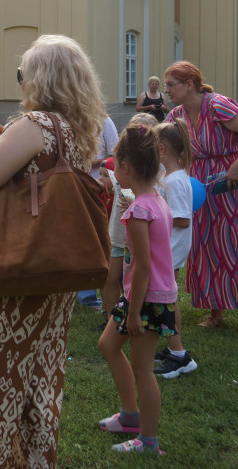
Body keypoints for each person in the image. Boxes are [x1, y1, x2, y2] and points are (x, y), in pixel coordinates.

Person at [0, 34, 106, 469]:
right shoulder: (79, 132)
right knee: (35, 387)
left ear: (40, 78)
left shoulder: (36, 126)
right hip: (55, 274)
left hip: (13, 279)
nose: (21, 81)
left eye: (22, 73)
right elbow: (31, 170)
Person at [163, 61, 238, 335]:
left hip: (235, 183)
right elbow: (162, 147)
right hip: (199, 185)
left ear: (190, 84)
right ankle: (216, 313)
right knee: (205, 245)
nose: (166, 91)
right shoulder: (175, 115)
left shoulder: (218, 105)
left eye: (170, 85)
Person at [97, 123, 176, 455]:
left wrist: (133, 312)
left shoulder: (140, 211)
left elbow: (142, 266)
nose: (115, 175)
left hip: (146, 300)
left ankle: (148, 440)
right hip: (141, 296)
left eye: (117, 168)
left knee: (144, 369)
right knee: (108, 345)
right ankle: (130, 415)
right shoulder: (154, 199)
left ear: (126, 168)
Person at [99, 113, 159, 332]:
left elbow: (152, 200)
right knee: (109, 277)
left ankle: (130, 317)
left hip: (136, 233)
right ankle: (110, 319)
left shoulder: (153, 172)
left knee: (132, 280)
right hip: (117, 231)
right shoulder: (122, 165)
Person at [153, 119, 199, 379]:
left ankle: (180, 356)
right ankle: (175, 350)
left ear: (161, 150)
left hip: (169, 252)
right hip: (166, 252)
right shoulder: (169, 178)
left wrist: (150, 216)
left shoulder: (176, 181)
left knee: (165, 303)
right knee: (168, 302)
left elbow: (182, 218)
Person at [78, 116, 119, 311]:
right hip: (74, 185)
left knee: (97, 239)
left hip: (101, 189)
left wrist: (94, 163)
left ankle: (91, 294)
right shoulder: (62, 118)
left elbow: (115, 155)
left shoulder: (103, 121)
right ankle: (77, 290)